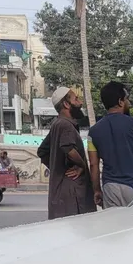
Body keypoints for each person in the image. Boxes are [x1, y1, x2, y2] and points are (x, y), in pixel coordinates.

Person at [44, 86, 94, 220]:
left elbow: (42, 151)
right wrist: (81, 165)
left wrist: (57, 168)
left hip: (62, 192)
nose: (80, 103)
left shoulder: (57, 124)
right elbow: (69, 149)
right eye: (76, 99)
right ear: (66, 104)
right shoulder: (65, 125)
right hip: (72, 193)